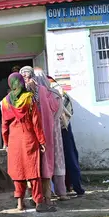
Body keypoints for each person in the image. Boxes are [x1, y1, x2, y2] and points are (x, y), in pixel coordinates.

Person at [1, 73, 54, 212]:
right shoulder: (29, 98)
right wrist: (42, 140)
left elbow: (4, 125)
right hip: (29, 138)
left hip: (14, 140)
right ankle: (39, 203)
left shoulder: (5, 102)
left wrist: (6, 142)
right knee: (33, 172)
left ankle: (20, 203)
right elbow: (36, 123)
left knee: (18, 171)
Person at [32, 68, 68, 201]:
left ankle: (48, 192)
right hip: (56, 132)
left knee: (43, 161)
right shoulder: (56, 94)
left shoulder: (37, 96)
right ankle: (62, 192)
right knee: (58, 159)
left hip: (41, 132)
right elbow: (59, 113)